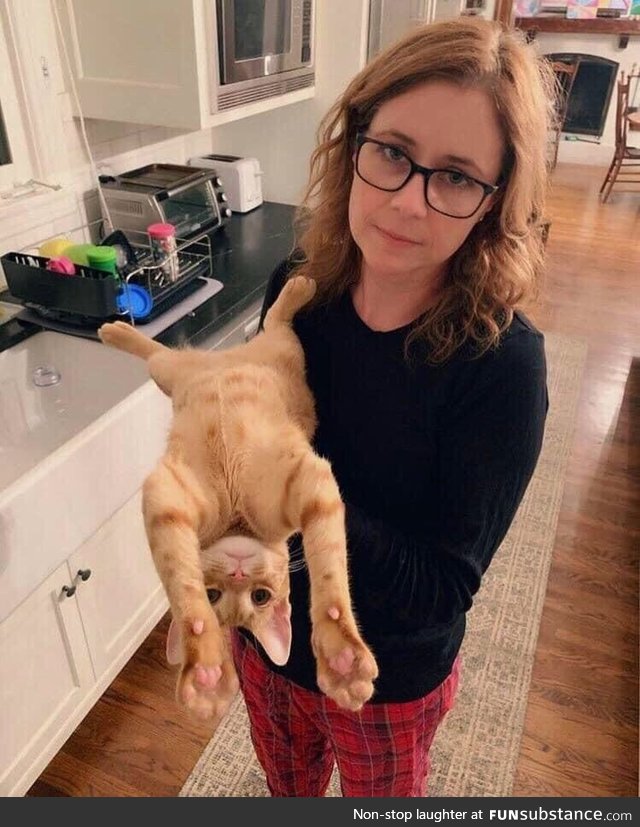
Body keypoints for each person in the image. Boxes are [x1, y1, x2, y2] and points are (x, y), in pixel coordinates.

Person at [231, 17, 555, 797]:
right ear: (355, 145)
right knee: (287, 787)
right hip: (268, 639)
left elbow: (441, 587)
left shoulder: (503, 368)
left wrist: (309, 494)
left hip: (386, 678)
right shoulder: (298, 289)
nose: (410, 203)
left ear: (494, 199)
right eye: (394, 154)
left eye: (454, 176)